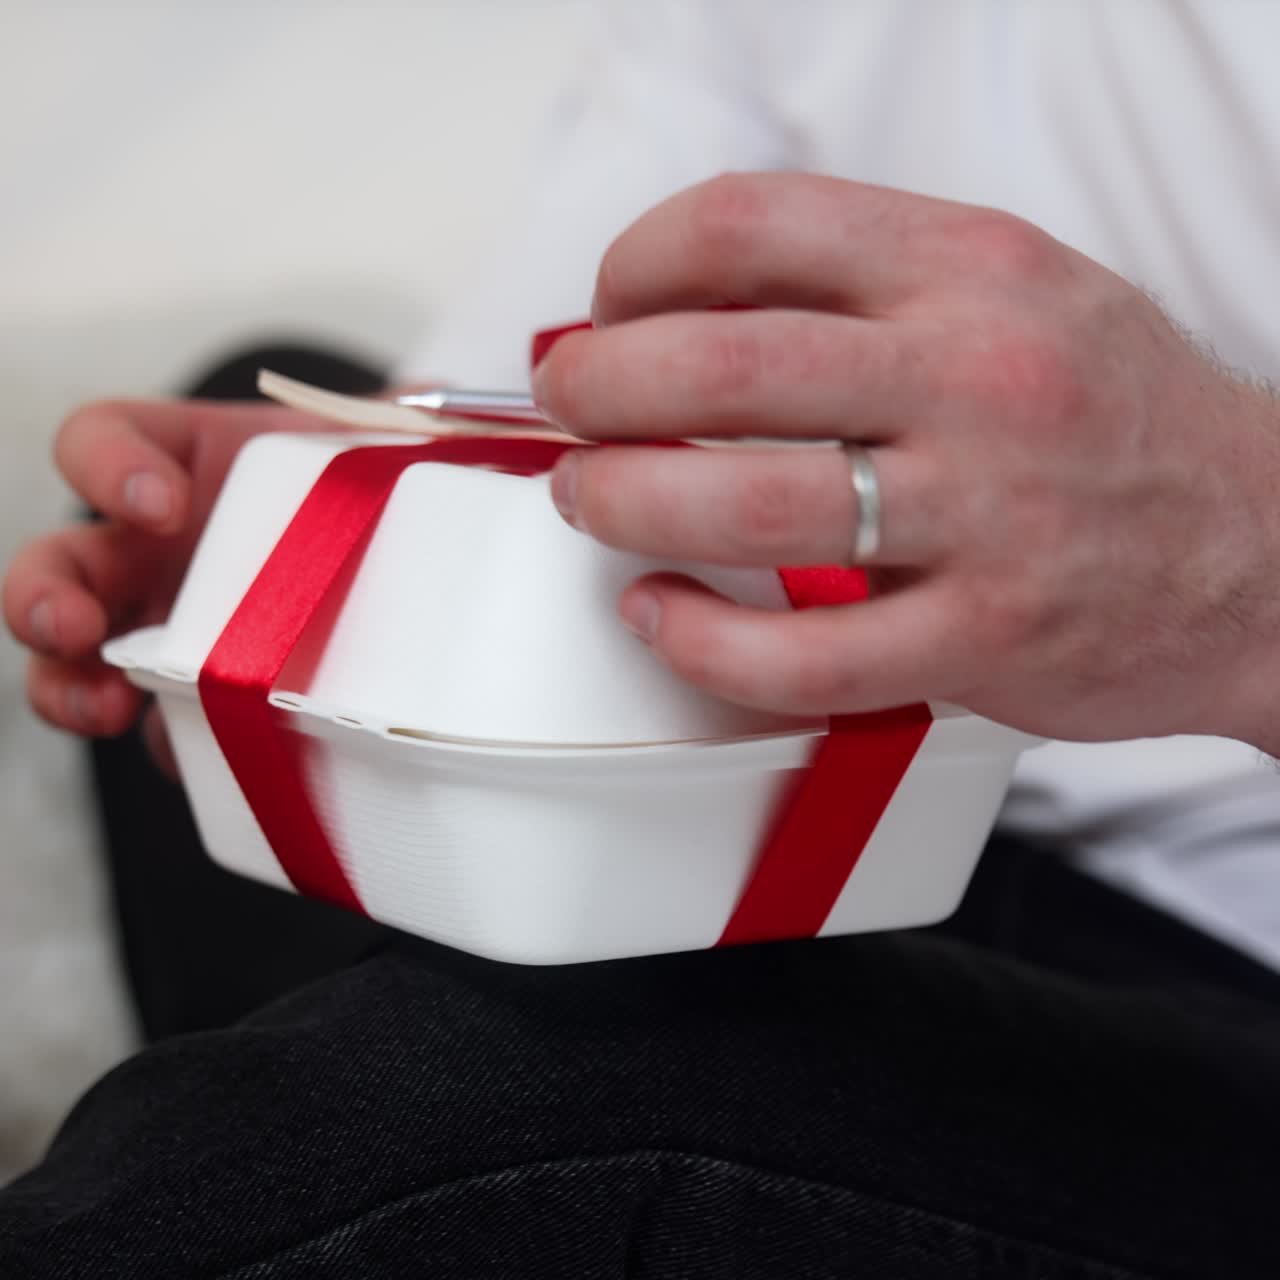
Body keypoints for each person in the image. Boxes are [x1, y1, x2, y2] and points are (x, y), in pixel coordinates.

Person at [2, 1, 1279, 1275]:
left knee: (479, 1080)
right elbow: (545, 382)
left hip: (1227, 952)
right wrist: (347, 532)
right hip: (799, 805)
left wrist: (1236, 554)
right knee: (242, 427)